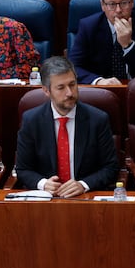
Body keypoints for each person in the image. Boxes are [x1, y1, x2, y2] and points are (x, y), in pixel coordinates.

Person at [16, 56, 119, 197]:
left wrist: (83, 185)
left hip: (85, 198)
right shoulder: (31, 120)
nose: (69, 93)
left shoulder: (97, 119)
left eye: (72, 84)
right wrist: (43, 183)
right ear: (46, 91)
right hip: (47, 200)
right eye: (61, 87)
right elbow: (22, 169)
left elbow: (111, 168)